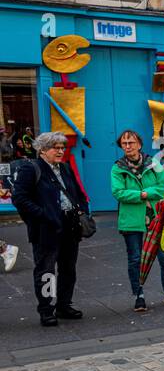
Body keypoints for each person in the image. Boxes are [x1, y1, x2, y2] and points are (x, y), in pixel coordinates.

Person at [10, 132, 88, 327]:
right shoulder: (31, 168)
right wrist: (43, 214)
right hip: (46, 228)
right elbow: (19, 198)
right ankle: (46, 309)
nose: (61, 151)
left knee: (68, 269)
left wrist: (83, 212)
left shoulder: (66, 168)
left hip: (70, 225)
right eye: (56, 148)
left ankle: (63, 304)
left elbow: (77, 193)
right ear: (43, 150)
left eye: (63, 148)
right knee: (46, 271)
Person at [111, 129, 164, 312]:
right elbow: (118, 192)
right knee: (135, 259)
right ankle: (138, 294)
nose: (127, 146)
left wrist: (145, 193)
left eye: (131, 142)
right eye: (124, 143)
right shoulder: (117, 168)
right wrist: (144, 194)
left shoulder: (153, 163)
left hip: (156, 217)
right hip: (131, 220)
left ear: (139, 144)